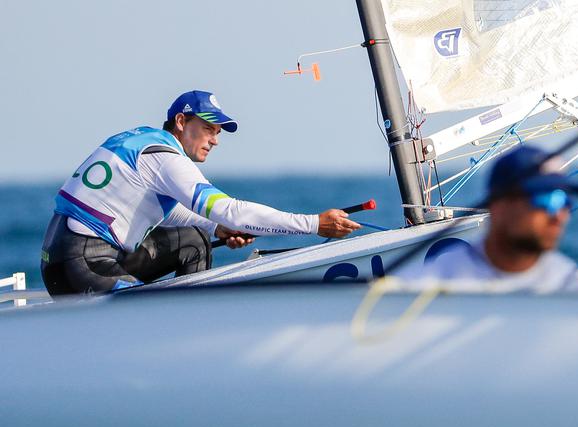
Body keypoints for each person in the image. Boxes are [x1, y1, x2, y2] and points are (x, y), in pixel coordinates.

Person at [41, 90, 360, 295]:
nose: (215, 140)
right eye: (208, 129)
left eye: (218, 133)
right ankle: (190, 328)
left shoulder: (140, 141)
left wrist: (215, 227)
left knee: (194, 239)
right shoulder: (165, 158)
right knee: (146, 313)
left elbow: (150, 207)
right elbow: (232, 210)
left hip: (66, 254)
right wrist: (315, 224)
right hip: (82, 263)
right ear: (181, 121)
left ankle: (189, 315)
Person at [422, 144, 578, 293]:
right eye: (547, 200)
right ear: (499, 205)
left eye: (565, 202)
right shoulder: (426, 288)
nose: (559, 216)